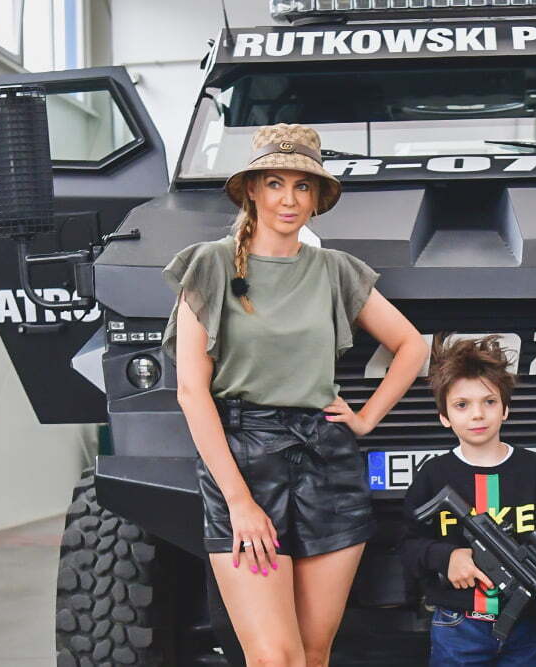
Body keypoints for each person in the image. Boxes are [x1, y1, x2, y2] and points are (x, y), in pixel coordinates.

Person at [162, 123, 428, 666]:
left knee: (313, 652)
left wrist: (365, 418)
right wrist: (239, 502)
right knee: (275, 658)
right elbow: (192, 392)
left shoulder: (335, 270)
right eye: (275, 183)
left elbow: (411, 346)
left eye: (302, 186)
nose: (289, 199)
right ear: (252, 190)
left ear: (315, 199)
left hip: (328, 463)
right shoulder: (210, 265)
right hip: (245, 461)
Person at [400, 335, 536, 667]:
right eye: (462, 405)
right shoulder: (434, 475)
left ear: (505, 409)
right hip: (458, 625)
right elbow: (408, 546)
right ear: (444, 416)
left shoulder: (532, 469)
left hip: (530, 625)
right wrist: (447, 557)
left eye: (489, 402)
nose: (477, 414)